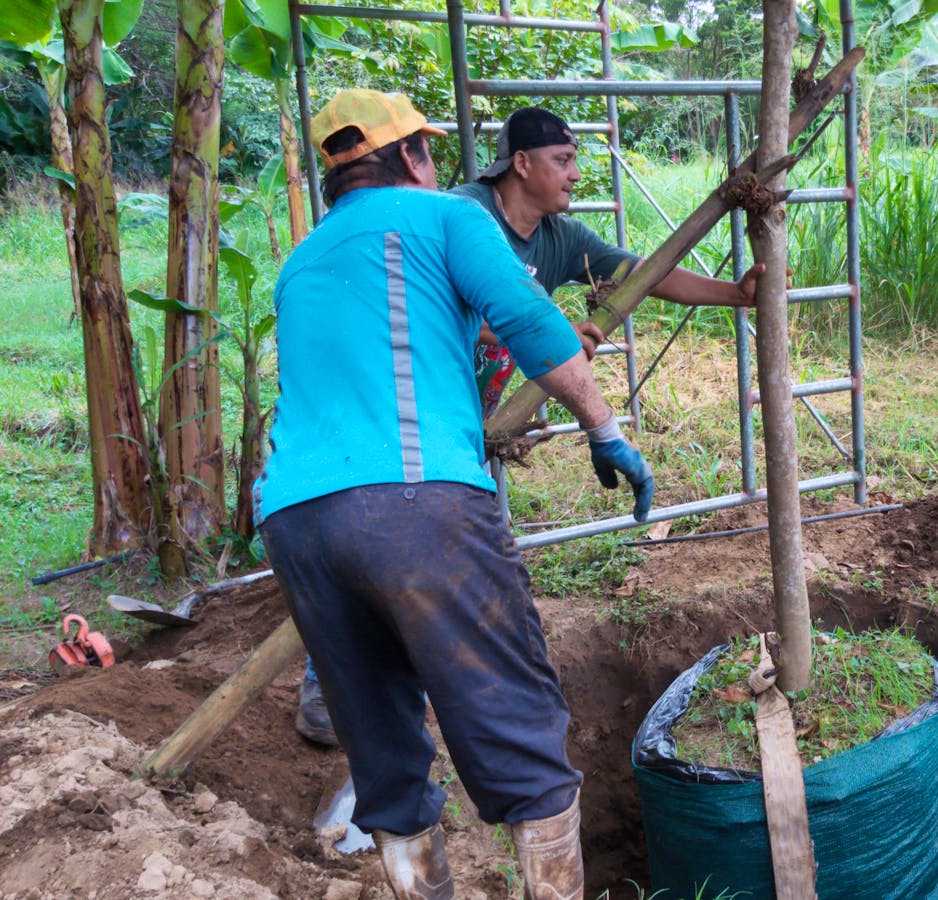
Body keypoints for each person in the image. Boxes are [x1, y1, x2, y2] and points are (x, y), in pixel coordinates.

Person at [257, 88, 654, 899]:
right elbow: (536, 326)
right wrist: (606, 430)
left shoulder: (300, 264)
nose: (436, 164)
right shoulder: (444, 216)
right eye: (428, 149)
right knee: (518, 725)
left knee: (381, 749)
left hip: (295, 524)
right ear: (409, 157)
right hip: (415, 503)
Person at [448, 105, 764, 415]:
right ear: (522, 163)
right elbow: (428, 308)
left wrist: (736, 293)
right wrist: (547, 330)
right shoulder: (458, 215)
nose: (576, 174)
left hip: (469, 414)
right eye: (562, 160)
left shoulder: (561, 238)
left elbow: (643, 274)